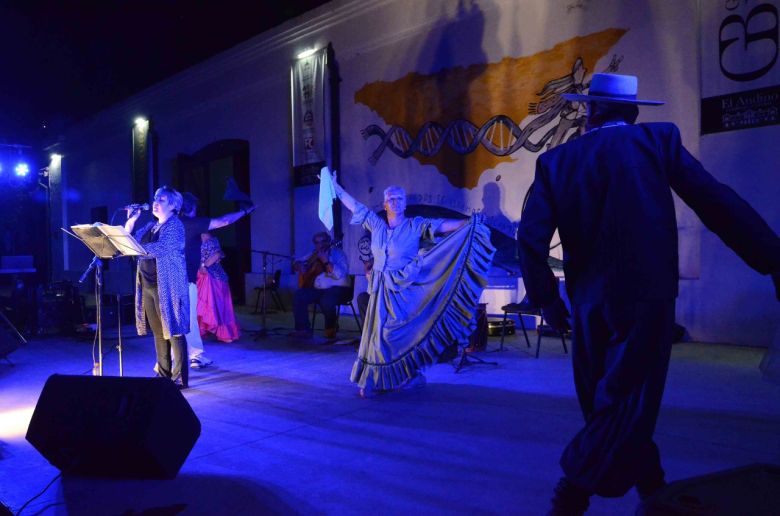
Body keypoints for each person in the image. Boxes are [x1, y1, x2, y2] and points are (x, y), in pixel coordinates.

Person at [516, 73, 780, 515]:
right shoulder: (657, 141)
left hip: (587, 304)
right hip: (646, 300)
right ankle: (572, 500)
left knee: (609, 405)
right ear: (632, 113)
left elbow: (530, 239)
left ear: (591, 111)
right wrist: (771, 255)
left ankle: (645, 490)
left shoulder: (556, 161)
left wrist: (546, 300)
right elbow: (715, 201)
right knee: (622, 407)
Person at [327, 169, 495, 398]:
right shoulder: (376, 226)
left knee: (397, 336)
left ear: (404, 204)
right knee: (377, 338)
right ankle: (379, 378)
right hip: (380, 290)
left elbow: (442, 225)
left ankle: (409, 376)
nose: (395, 202)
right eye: (391, 199)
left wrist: (468, 223)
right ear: (385, 204)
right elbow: (355, 206)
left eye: (399, 199)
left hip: (404, 291)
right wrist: (335, 189)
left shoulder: (415, 225)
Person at [125, 186, 190, 388]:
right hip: (148, 284)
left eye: (161, 199)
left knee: (173, 329)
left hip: (168, 285)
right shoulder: (150, 226)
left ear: (172, 205)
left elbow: (162, 248)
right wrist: (132, 220)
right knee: (158, 331)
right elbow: (128, 240)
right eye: (155, 198)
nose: (155, 202)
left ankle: (179, 377)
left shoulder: (175, 225)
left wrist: (134, 249)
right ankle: (163, 375)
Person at [180, 192, 253, 368]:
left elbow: (216, 253)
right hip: (192, 276)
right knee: (188, 317)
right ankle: (190, 356)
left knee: (186, 317)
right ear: (192, 208)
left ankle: (182, 357)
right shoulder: (191, 224)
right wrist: (245, 211)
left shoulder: (171, 225)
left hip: (193, 276)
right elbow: (224, 221)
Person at [290, 232, 351, 340]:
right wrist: (299, 266)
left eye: (323, 242)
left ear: (328, 241)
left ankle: (330, 328)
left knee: (327, 299)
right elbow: (296, 262)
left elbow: (340, 274)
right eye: (317, 243)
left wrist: (326, 261)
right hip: (320, 290)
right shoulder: (313, 254)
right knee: (299, 295)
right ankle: (303, 329)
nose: (320, 245)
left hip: (339, 289)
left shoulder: (338, 254)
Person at [197, 232, 240, 342]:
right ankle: (202, 331)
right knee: (202, 304)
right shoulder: (192, 236)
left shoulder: (209, 238)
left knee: (217, 305)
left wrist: (204, 265)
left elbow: (216, 254)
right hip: (202, 276)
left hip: (212, 276)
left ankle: (225, 333)